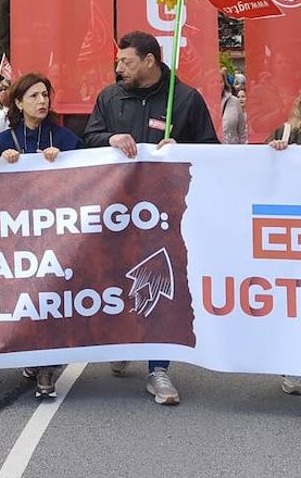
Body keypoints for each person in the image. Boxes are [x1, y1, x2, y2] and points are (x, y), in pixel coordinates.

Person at [83, 30, 218, 406]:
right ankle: (125, 338)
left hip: (165, 214)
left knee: (160, 283)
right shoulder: (110, 96)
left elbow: (211, 150)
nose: (118, 67)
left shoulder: (187, 99)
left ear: (149, 61)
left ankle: (159, 369)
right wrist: (108, 138)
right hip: (117, 210)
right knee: (114, 276)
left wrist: (183, 148)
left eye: (125, 61)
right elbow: (88, 139)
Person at [0, 72, 81, 399]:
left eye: (45, 95)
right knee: (23, 297)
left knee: (48, 295)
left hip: (54, 232)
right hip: (16, 235)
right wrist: (1, 163)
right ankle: (30, 355)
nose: (42, 102)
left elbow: (88, 176)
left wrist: (65, 161)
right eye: (34, 96)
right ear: (18, 102)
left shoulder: (65, 138)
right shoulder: (2, 142)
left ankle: (45, 367)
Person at [266, 92, 301, 394]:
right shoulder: (287, 133)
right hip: (291, 229)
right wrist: (274, 151)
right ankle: (293, 367)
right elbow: (265, 174)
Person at [220, 74, 247, 145]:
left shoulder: (235, 102)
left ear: (224, 82)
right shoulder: (201, 101)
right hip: (209, 151)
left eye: (220, 81)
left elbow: (242, 132)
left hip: (232, 150)